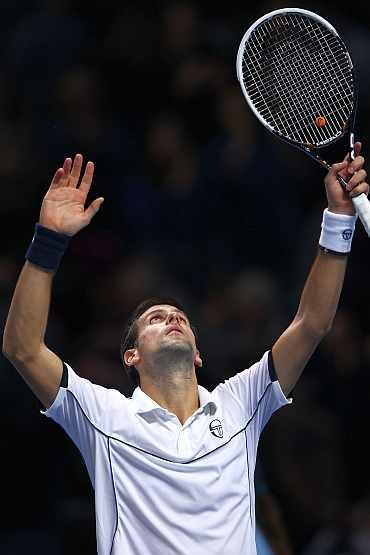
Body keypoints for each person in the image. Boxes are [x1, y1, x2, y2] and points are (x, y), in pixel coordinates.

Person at [2, 148, 368, 555]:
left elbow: (312, 323)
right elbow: (23, 349)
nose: (172, 319)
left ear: (197, 355)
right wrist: (48, 240)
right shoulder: (103, 415)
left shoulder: (240, 404)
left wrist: (339, 216)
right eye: (155, 319)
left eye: (180, 317)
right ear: (132, 357)